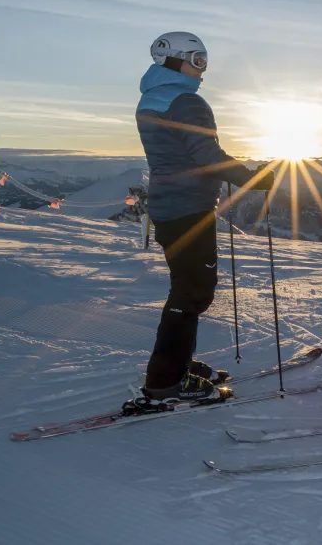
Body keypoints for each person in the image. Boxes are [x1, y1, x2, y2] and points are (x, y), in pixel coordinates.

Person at [135, 31, 273, 403]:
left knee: (185, 287)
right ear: (174, 61)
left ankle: (178, 364)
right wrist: (251, 177)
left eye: (204, 61)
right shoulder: (185, 101)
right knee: (193, 291)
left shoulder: (152, 98)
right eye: (198, 61)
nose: (203, 69)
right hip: (189, 209)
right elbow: (206, 155)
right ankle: (166, 380)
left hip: (168, 208)